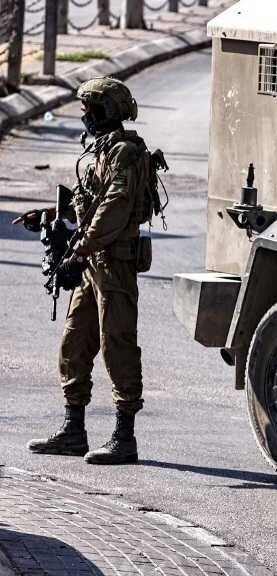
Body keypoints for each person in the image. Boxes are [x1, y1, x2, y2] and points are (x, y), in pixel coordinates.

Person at [14, 77, 152, 465]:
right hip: (92, 263)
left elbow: (113, 209)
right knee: (74, 344)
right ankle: (73, 430)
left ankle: (125, 437)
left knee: (117, 345)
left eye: (89, 109)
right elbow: (84, 203)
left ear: (106, 111)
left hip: (114, 265)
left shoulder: (125, 153)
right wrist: (46, 216)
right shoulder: (100, 151)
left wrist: (79, 250)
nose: (84, 116)